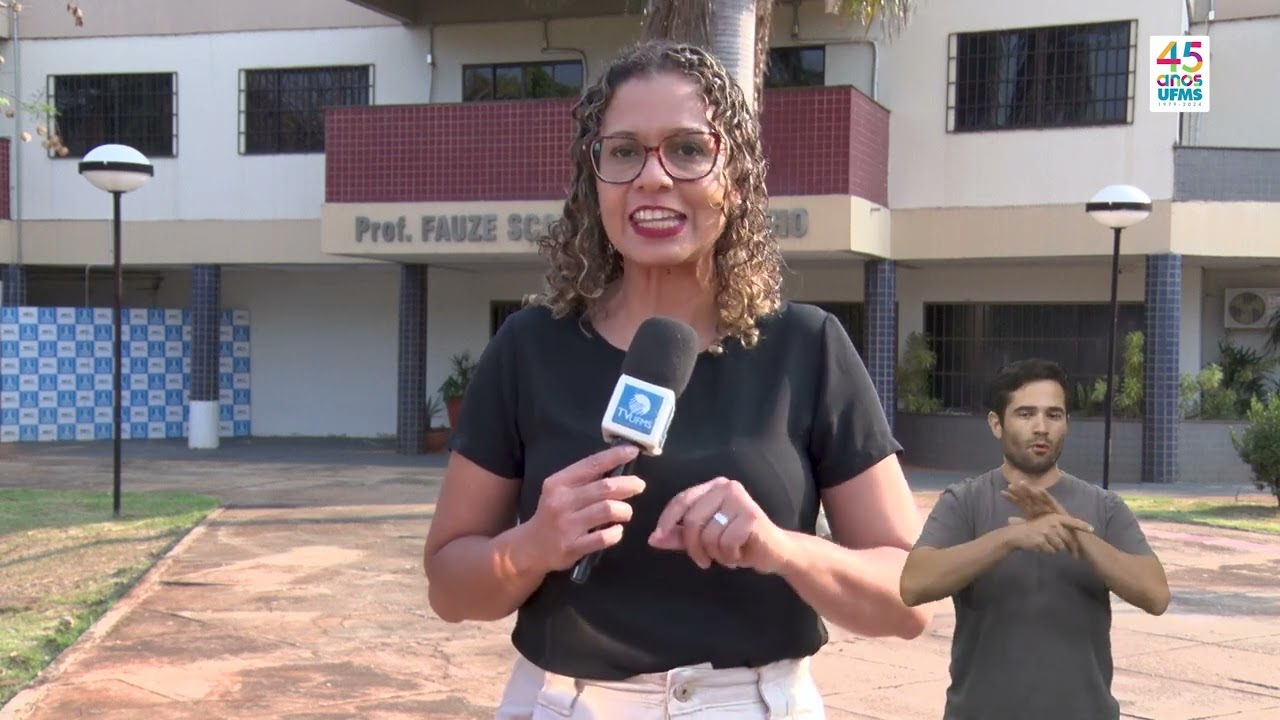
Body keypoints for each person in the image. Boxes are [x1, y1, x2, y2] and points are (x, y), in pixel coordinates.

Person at [422, 39, 933, 719]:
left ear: (737, 178)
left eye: (689, 149)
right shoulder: (529, 348)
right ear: (593, 179)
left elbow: (912, 599)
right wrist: (531, 546)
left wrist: (783, 549)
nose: (652, 177)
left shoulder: (805, 348)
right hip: (568, 703)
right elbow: (451, 589)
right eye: (624, 151)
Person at [898, 358, 1171, 720]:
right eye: (1025, 414)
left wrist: (1073, 532)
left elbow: (1156, 596)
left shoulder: (1103, 507)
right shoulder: (965, 501)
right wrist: (1011, 538)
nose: (1041, 428)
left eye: (1054, 415)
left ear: (1067, 424)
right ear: (997, 424)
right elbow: (913, 585)